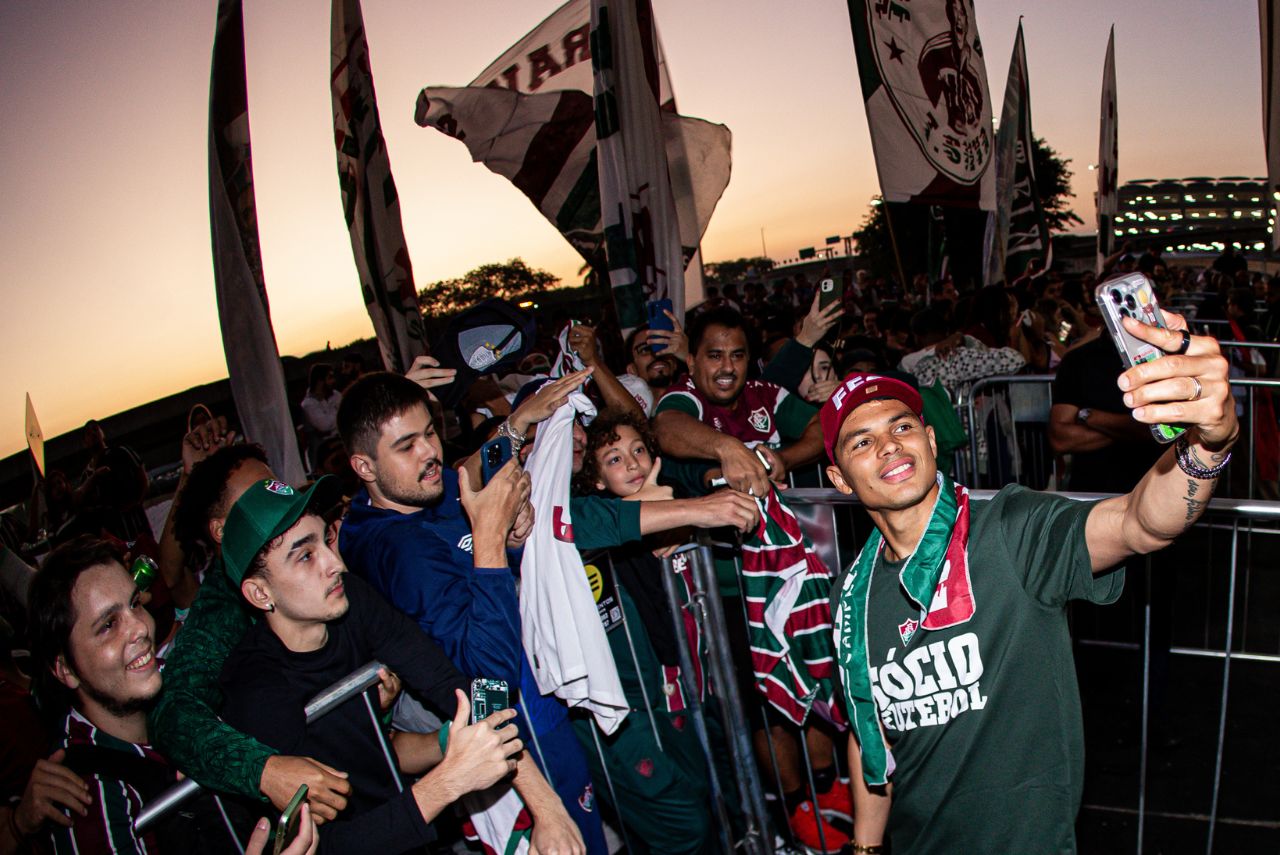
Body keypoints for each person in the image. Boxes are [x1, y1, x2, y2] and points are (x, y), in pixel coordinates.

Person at [822, 306, 1236, 853]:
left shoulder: (1013, 530)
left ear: (930, 439)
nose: (890, 445)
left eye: (902, 427)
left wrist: (1208, 444)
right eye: (862, 442)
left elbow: (1141, 523)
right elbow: (869, 731)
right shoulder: (851, 597)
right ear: (840, 479)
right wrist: (865, 848)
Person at [336, 370, 598, 854]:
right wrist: (492, 538)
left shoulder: (402, 496)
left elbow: (466, 473)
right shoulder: (401, 551)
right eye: (407, 445)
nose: (429, 452)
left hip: (532, 706)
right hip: (508, 734)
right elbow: (488, 674)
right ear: (364, 466)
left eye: (429, 433)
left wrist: (518, 423)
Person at [217, 478, 535, 854]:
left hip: (408, 829)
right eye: (305, 556)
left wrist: (547, 810)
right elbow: (325, 847)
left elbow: (449, 683)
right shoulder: (254, 689)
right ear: (260, 593)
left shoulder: (350, 598)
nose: (334, 563)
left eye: (326, 541)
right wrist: (449, 781)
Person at [651, 307, 847, 852]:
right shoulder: (682, 401)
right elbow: (665, 429)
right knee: (767, 705)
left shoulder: (765, 395)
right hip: (729, 592)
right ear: (693, 360)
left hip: (795, 578)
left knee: (818, 680)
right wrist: (729, 449)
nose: (726, 367)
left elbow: (822, 426)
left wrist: (782, 458)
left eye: (737, 355)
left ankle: (828, 793)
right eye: (714, 355)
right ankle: (795, 811)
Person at [148, 442, 354, 824]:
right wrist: (265, 771)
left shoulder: (320, 548)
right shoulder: (222, 607)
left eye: (275, 486)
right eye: (257, 494)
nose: (277, 500)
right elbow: (172, 715)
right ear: (222, 530)